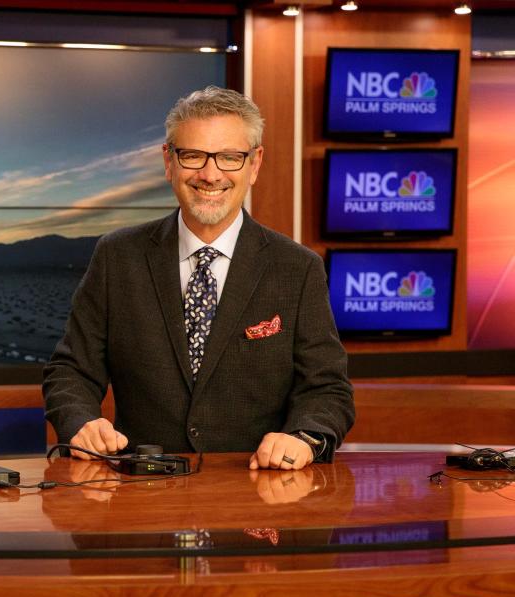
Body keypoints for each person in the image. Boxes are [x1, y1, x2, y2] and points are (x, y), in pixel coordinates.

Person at [43, 86, 354, 470]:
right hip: (141, 491)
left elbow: (326, 389)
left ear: (254, 164)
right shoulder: (117, 256)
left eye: (229, 157)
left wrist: (304, 438)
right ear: (169, 161)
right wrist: (81, 422)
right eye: (193, 156)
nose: (210, 174)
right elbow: (71, 370)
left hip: (255, 490)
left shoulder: (297, 268)